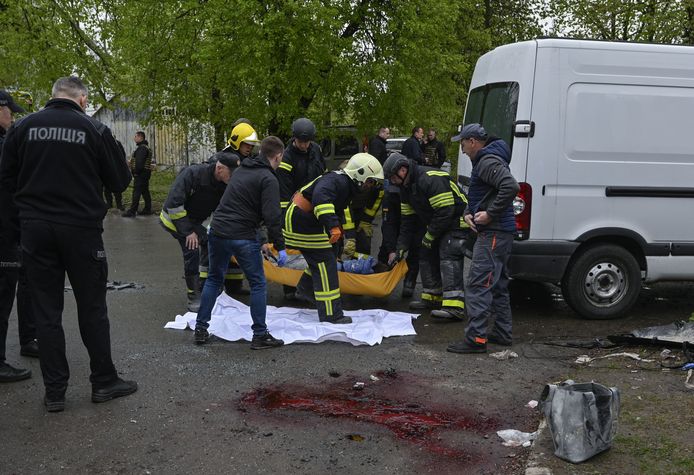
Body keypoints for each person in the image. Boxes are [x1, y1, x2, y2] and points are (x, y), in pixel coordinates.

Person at [0, 76, 137, 411]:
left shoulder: (23, 127)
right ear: (83, 100)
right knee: (92, 306)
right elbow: (120, 180)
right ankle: (103, 381)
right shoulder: (94, 130)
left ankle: (55, 392)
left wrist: (24, 219)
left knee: (46, 311)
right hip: (81, 230)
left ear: (53, 96)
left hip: (36, 230)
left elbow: (6, 177)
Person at [194, 136, 288, 349]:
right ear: (278, 156)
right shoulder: (269, 179)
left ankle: (200, 329)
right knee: (257, 283)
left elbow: (243, 206)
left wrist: (262, 240)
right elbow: (272, 217)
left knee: (214, 279)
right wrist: (280, 247)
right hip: (242, 236)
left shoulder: (243, 169)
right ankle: (260, 335)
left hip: (217, 231)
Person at [283, 153, 383, 324]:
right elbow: (321, 200)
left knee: (327, 256)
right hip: (300, 221)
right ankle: (331, 314)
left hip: (303, 220)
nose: (370, 186)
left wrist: (338, 237)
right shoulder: (338, 181)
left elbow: (335, 210)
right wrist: (332, 226)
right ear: (359, 174)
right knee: (325, 263)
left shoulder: (344, 184)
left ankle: (306, 289)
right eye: (370, 181)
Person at [447, 124, 519, 354]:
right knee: (497, 284)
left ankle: (476, 339)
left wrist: (489, 214)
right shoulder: (487, 160)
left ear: (474, 141)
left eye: (463, 143)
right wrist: (469, 211)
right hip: (500, 232)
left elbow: (510, 187)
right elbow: (485, 193)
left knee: (478, 283)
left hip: (494, 233)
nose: (463, 149)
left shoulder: (487, 161)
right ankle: (502, 332)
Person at [383, 152, 469, 319]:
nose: (392, 182)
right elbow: (407, 222)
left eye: (392, 178)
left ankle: (455, 307)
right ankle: (432, 297)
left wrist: (430, 236)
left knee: (448, 252)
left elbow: (446, 211)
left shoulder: (429, 178)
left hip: (458, 221)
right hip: (440, 223)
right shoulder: (405, 189)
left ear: (402, 170)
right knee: (424, 251)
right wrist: (400, 248)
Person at [159, 150, 240, 311]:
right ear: (219, 169)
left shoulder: (223, 183)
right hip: (174, 219)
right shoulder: (193, 174)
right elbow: (174, 204)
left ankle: (207, 286)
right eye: (231, 175)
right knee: (192, 248)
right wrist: (188, 232)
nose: (232, 180)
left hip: (194, 221)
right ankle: (193, 295)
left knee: (213, 243)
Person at [0, 90, 37, 383]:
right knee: (3, 294)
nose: (12, 116)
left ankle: (29, 338)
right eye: (9, 110)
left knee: (23, 283)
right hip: (5, 232)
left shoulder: (6, 140)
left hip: (13, 229)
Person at [277, 117, 326, 300]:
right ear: (294, 138)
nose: (305, 145)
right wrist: (286, 217)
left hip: (313, 204)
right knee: (292, 249)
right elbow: (284, 191)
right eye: (301, 142)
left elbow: (322, 175)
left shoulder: (316, 150)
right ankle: (290, 288)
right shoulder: (286, 157)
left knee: (312, 248)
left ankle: (307, 286)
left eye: (308, 142)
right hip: (292, 206)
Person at [122, 131, 152, 217]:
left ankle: (132, 211)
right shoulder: (145, 147)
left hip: (141, 174)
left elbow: (139, 163)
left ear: (140, 137)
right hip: (145, 174)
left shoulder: (142, 148)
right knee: (145, 191)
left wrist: (135, 172)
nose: (134, 138)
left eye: (135, 136)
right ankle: (147, 209)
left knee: (136, 192)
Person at [104, 140, 126, 210]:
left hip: (116, 168)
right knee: (107, 187)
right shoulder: (104, 143)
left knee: (117, 186)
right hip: (107, 168)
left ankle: (119, 204)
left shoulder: (117, 143)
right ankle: (109, 203)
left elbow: (122, 154)